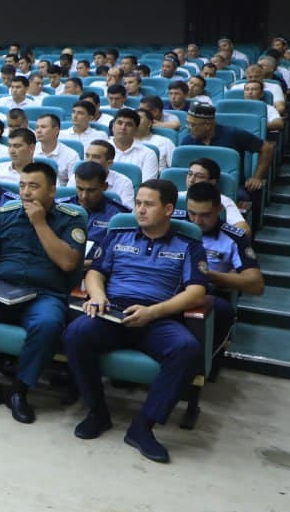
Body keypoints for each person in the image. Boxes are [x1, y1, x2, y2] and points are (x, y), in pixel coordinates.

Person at [66, 179, 207, 464]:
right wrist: (97, 295)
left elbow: (196, 292)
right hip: (113, 311)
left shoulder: (189, 244)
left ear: (168, 209)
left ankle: (143, 426)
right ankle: (97, 412)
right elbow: (95, 273)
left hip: (158, 316)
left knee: (187, 349)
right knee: (76, 333)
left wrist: (153, 312)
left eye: (148, 204)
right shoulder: (119, 234)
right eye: (138, 203)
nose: (140, 210)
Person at [0, 162, 87, 424]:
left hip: (45, 294)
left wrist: (40, 223)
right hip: (3, 289)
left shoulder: (72, 218)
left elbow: (69, 263)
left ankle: (19, 390)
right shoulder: (7, 213)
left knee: (47, 324)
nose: (26, 193)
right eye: (22, 186)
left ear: (52, 191)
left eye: (34, 186)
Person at [181, 180, 264, 355]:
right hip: (166, 284)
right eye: (192, 213)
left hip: (207, 291)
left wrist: (207, 274)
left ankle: (203, 362)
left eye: (205, 215)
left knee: (221, 311)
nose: (196, 221)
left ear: (219, 209)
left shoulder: (234, 237)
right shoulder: (175, 224)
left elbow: (256, 285)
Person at [181, 102, 273, 193]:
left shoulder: (233, 134)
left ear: (207, 125)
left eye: (192, 125)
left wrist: (257, 177)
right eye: (187, 123)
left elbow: (267, 148)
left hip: (232, 189)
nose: (188, 128)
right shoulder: (187, 141)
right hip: (195, 190)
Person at [57, 160, 129, 266]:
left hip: (99, 269)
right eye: (80, 189)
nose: (84, 196)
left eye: (91, 191)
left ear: (104, 186)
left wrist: (94, 264)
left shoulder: (118, 215)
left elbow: (120, 253)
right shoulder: (60, 208)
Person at [74, 141, 135, 210]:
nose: (89, 160)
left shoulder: (124, 183)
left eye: (95, 157)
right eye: (87, 156)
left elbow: (128, 212)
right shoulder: (75, 177)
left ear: (109, 163)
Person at [109, 108, 159, 183]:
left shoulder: (148, 154)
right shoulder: (100, 149)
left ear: (136, 129)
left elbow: (147, 186)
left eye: (129, 125)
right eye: (119, 123)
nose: (123, 128)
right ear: (113, 126)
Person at [33, 112, 79, 187]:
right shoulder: (30, 150)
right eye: (37, 127)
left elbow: (74, 186)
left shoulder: (71, 155)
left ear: (56, 130)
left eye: (43, 127)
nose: (38, 131)